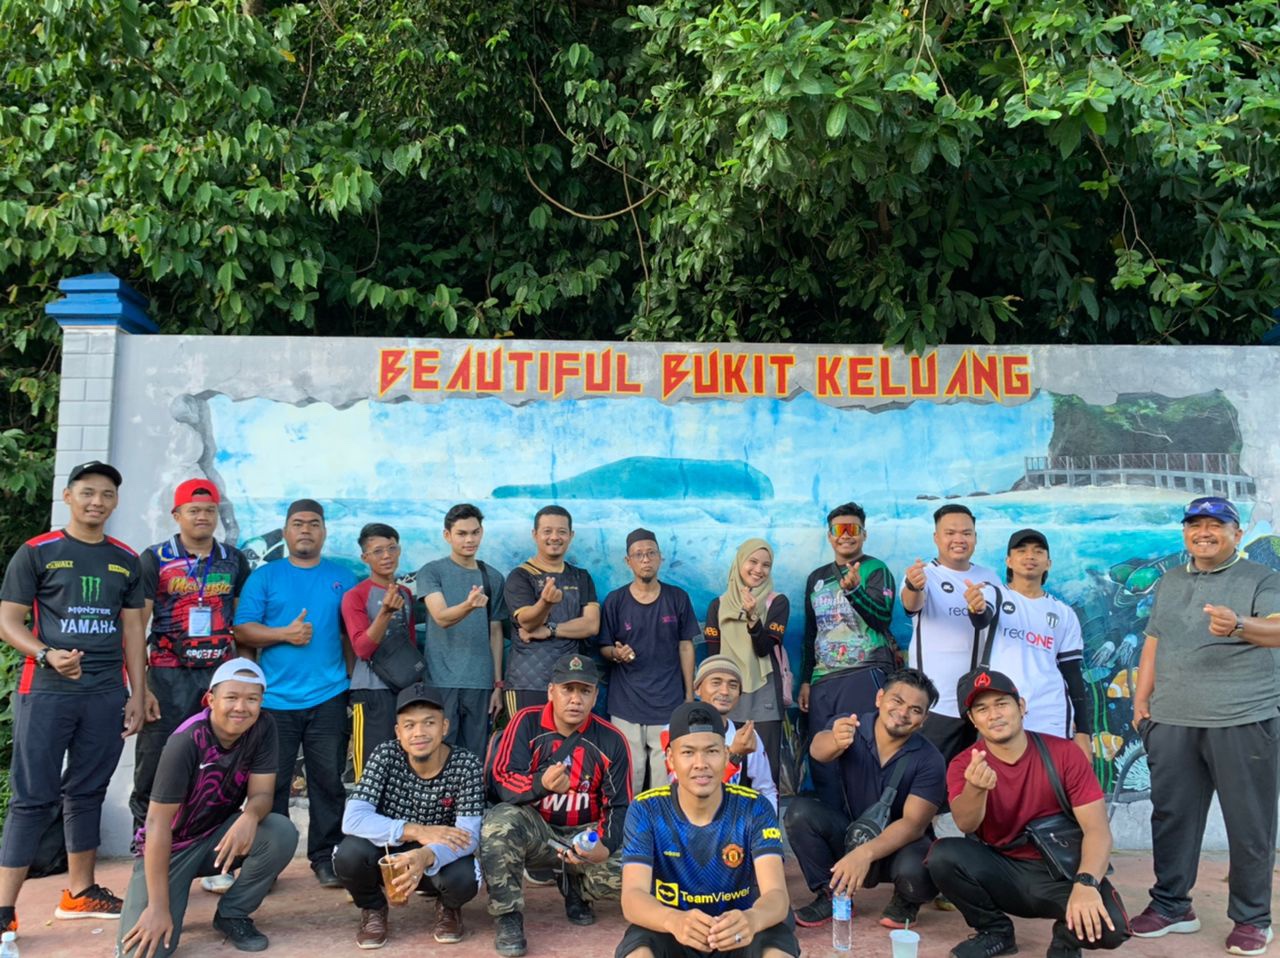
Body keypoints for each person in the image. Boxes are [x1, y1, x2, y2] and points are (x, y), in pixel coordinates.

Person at [0, 460, 148, 932]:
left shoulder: (126, 559)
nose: (96, 502)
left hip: (105, 693)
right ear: (68, 497)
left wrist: (138, 693)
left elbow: (133, 631)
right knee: (32, 798)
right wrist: (46, 655)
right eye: (87, 492)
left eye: (106, 494)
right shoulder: (37, 552)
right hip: (46, 690)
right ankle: (3, 911)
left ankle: (80, 893)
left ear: (115, 502)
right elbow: (8, 621)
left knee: (87, 792)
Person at [1129, 496, 1280, 955]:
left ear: (1237, 533)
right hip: (1172, 719)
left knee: (1249, 823)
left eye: (1216, 524)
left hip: (1243, 718)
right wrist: (1141, 701)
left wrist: (1238, 625)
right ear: (1186, 533)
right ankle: (1172, 906)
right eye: (1195, 524)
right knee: (1171, 817)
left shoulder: (1262, 577)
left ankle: (1252, 918)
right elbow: (1154, 641)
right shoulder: (1171, 580)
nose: (1204, 532)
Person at [928, 669, 1129, 958]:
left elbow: (1098, 831)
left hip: (1060, 870)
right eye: (982, 709)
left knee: (1113, 928)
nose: (994, 715)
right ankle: (995, 932)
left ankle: (1065, 941)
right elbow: (966, 823)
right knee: (943, 856)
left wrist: (1086, 883)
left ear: (1021, 706)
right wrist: (976, 788)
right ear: (972, 719)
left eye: (1002, 704)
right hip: (1002, 868)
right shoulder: (964, 764)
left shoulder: (1064, 753)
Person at [117, 659, 298, 956]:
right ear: (211, 700)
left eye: (252, 699)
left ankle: (232, 913)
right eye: (232, 697)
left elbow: (263, 793)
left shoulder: (263, 727)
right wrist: (158, 907)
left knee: (280, 832)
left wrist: (250, 816)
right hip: (170, 849)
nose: (241, 707)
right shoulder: (186, 741)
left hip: (216, 838)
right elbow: (157, 824)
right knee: (142, 952)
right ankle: (166, 899)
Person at [233, 498, 357, 889]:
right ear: (286, 531)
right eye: (298, 523)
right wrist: (283, 634)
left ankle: (325, 857)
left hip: (329, 696)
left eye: (314, 523)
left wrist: (349, 681)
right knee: (271, 785)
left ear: (324, 532)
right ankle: (267, 862)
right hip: (275, 701)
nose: (306, 530)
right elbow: (242, 630)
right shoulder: (265, 577)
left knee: (328, 782)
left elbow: (350, 635)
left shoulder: (343, 578)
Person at [616, 700, 799, 958]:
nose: (700, 763)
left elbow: (777, 895)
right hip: (674, 931)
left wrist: (753, 919)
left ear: (726, 755)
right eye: (688, 752)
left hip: (738, 931)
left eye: (711, 751)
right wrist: (672, 920)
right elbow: (632, 897)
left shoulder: (754, 807)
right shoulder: (646, 809)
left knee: (776, 946)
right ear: (670, 759)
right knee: (639, 949)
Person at [481, 652, 631, 957]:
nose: (575, 699)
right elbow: (503, 780)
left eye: (584, 691)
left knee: (634, 871)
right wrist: (541, 784)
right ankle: (508, 916)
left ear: (595, 696)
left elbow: (618, 806)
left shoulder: (612, 739)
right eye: (567, 689)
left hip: (585, 835)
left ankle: (577, 887)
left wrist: (604, 845)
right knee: (499, 823)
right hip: (540, 833)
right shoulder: (526, 722)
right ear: (551, 691)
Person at [131, 479, 252, 842]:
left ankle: (210, 851)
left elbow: (243, 623)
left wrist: (246, 679)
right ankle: (144, 847)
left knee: (218, 763)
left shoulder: (233, 560)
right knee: (155, 763)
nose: (203, 517)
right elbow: (136, 625)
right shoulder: (155, 558)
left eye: (210, 510)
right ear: (177, 514)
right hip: (168, 677)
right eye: (194, 510)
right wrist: (142, 688)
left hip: (218, 678)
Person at [785, 667, 945, 930]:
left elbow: (913, 825)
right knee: (800, 813)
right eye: (897, 701)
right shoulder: (850, 726)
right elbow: (818, 750)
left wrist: (864, 854)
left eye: (915, 710)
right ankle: (831, 894)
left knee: (920, 865)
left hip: (898, 847)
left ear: (924, 719)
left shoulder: (930, 760)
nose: (903, 713)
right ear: (879, 698)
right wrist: (835, 741)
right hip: (849, 834)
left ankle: (906, 901)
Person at [333, 682, 483, 949]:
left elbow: (469, 836)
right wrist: (416, 831)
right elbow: (353, 819)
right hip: (389, 854)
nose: (419, 733)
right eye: (409, 725)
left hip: (438, 856)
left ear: (444, 727)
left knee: (464, 877)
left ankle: (448, 908)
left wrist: (425, 854)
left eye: (429, 723)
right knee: (348, 855)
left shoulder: (466, 764)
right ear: (398, 732)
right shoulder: (386, 755)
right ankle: (373, 908)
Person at [799, 502, 898, 810]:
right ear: (829, 536)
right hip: (823, 679)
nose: (845, 535)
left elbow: (882, 619)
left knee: (863, 752)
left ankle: (866, 825)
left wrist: (855, 592)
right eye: (838, 530)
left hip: (864, 671)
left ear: (863, 534)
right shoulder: (816, 578)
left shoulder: (876, 570)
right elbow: (811, 632)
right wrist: (806, 680)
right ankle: (833, 824)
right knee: (823, 758)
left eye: (852, 529)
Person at [963, 529, 1092, 752]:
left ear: (1048, 563)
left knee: (1051, 772)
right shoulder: (994, 595)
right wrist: (976, 607)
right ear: (1009, 561)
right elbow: (981, 617)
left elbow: (1072, 674)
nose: (1030, 556)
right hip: (1000, 710)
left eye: (1038, 552)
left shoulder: (1063, 613)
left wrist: (1083, 731)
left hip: (1050, 712)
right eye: (1021, 551)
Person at [599, 528, 699, 793]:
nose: (645, 559)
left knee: (663, 777)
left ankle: (659, 821)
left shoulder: (677, 598)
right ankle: (627, 820)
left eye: (651, 553)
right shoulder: (616, 601)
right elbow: (604, 647)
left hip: (668, 702)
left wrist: (689, 695)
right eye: (638, 554)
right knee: (629, 774)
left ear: (660, 557)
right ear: (628, 561)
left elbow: (686, 646)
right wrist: (616, 654)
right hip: (626, 703)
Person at [900, 504, 1000, 762]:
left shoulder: (989, 577)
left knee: (973, 775)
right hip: (936, 703)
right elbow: (911, 604)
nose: (959, 539)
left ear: (975, 537)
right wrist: (913, 585)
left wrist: (978, 607)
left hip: (979, 701)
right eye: (950, 533)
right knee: (930, 775)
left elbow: (990, 622)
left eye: (966, 533)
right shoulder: (924, 575)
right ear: (936, 537)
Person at [416, 503, 508, 758]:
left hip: (480, 684)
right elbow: (441, 617)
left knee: (475, 757)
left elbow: (496, 632)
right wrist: (469, 605)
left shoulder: (493, 577)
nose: (470, 540)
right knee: (439, 754)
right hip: (440, 681)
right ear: (447, 535)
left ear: (482, 532)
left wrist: (497, 684)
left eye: (475, 532)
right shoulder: (432, 572)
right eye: (462, 533)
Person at [703, 539, 789, 789]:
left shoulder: (777, 602)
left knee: (766, 771)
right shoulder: (718, 605)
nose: (758, 570)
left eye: (766, 565)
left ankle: (765, 816)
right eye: (752, 562)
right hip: (727, 694)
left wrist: (753, 618)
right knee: (727, 768)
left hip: (764, 693)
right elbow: (714, 659)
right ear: (740, 562)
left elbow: (764, 648)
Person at [502, 506, 600, 719]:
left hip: (570, 683)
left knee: (567, 741)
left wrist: (550, 630)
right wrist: (545, 603)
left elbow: (591, 625)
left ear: (571, 535)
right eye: (547, 531)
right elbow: (528, 623)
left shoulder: (581, 577)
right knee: (526, 739)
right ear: (535, 534)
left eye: (561, 531)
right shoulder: (520, 576)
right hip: (527, 682)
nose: (554, 537)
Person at [342, 522, 416, 777]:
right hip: (370, 692)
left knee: (405, 770)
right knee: (371, 772)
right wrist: (385, 612)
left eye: (392, 548)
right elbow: (362, 648)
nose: (386, 556)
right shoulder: (355, 595)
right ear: (365, 558)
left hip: (404, 692)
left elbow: (410, 643)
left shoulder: (405, 593)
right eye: (377, 551)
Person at [660, 656, 777, 811]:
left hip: (735, 823)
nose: (724, 691)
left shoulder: (746, 735)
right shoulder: (673, 733)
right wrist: (735, 755)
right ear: (697, 688)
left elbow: (766, 790)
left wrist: (766, 824)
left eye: (733, 685)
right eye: (716, 682)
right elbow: (688, 795)